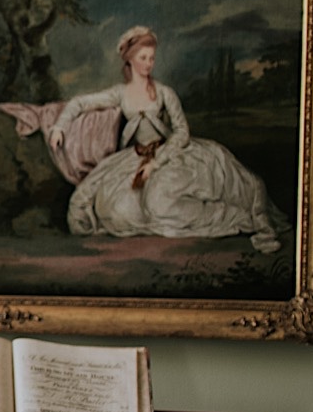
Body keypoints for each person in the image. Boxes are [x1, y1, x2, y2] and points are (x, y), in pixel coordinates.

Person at [46, 24, 282, 251]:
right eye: (143, 58)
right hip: (136, 156)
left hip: (171, 155)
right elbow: (79, 103)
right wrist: (59, 127)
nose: (148, 63)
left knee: (159, 202)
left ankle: (234, 217)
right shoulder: (121, 93)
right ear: (130, 59)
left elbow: (182, 132)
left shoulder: (164, 93)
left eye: (151, 58)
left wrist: (157, 162)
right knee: (106, 207)